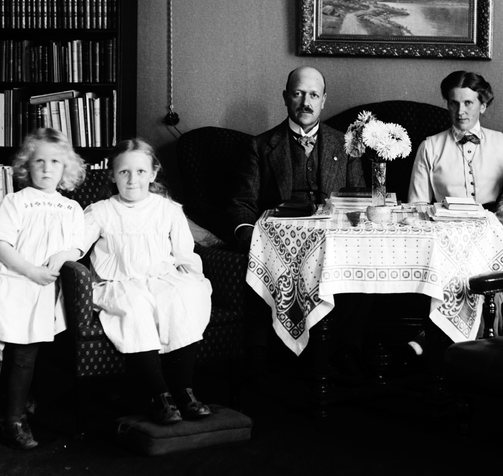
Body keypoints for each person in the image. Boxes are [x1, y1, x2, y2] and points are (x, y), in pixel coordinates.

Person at [226, 66, 366, 381]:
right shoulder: (260, 145)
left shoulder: (345, 144)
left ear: (324, 100)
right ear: (286, 97)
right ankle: (264, 361)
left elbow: (356, 199)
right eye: (298, 93)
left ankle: (344, 351)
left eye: (313, 95)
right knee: (258, 265)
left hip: (332, 247)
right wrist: (251, 239)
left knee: (360, 267)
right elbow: (242, 203)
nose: (306, 102)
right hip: (279, 248)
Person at [82, 138, 213, 425]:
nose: (132, 180)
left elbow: (184, 252)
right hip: (119, 282)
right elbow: (75, 245)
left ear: (153, 174)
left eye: (140, 171)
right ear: (112, 175)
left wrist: (196, 282)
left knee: (184, 297)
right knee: (136, 306)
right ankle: (159, 395)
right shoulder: (101, 211)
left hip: (162, 278)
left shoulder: (168, 209)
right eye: (124, 172)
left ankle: (184, 391)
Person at [0, 128, 87, 450]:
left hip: (48, 290)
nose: (47, 168)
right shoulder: (16, 201)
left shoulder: (71, 208)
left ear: (66, 168)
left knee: (39, 352)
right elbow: (1, 245)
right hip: (17, 283)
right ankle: (11, 420)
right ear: (27, 165)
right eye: (39, 161)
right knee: (22, 353)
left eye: (55, 162)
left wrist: (63, 255)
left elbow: (78, 246)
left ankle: (20, 403)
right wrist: (30, 270)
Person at [407, 70, 503, 207]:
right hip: (444, 220)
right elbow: (417, 203)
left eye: (468, 103)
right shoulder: (430, 147)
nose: (460, 112)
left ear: (482, 106)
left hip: (492, 219)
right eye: (454, 103)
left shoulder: (502, 143)